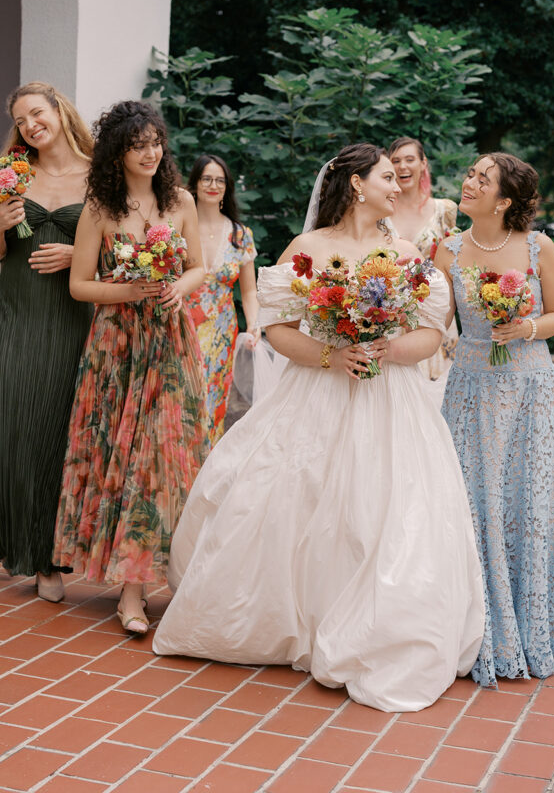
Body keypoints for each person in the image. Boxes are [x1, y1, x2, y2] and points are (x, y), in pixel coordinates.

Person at [154, 143, 485, 712]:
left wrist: (388, 346)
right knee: (295, 497)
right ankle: (287, 621)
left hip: (390, 396)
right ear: (357, 184)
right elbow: (279, 326)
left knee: (383, 509)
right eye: (387, 176)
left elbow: (432, 332)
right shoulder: (308, 249)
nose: (398, 185)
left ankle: (375, 625)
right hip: (319, 388)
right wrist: (332, 357)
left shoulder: (407, 254)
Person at [52, 101, 209, 634]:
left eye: (156, 142)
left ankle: (183, 574)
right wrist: (128, 290)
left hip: (169, 341)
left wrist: (175, 290)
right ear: (117, 151)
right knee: (125, 454)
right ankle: (132, 593)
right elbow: (79, 286)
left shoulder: (181, 201)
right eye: (137, 144)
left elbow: (199, 269)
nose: (149, 152)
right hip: (116, 347)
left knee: (165, 454)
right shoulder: (99, 207)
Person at [435, 152, 554, 687]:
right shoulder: (447, 249)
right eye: (470, 174)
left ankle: (528, 626)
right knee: (471, 501)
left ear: (505, 200)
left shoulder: (539, 248)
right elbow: (436, 321)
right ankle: (474, 628)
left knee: (525, 500)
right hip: (469, 390)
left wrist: (527, 330)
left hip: (529, 391)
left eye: (481, 178)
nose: (468, 182)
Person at [0, 82, 93, 603]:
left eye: (38, 113)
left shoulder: (100, 173)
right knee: (14, 422)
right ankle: (19, 547)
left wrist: (75, 252)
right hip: (14, 308)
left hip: (69, 314)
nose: (32, 125)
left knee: (58, 425)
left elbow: (121, 242)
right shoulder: (11, 174)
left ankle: (48, 559)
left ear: (58, 111)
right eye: (22, 120)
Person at [186, 154, 259, 442]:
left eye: (220, 180)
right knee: (182, 395)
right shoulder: (178, 226)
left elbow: (249, 290)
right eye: (207, 178)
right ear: (195, 183)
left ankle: (205, 468)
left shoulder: (240, 235)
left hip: (220, 331)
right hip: (181, 324)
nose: (213, 185)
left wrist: (253, 324)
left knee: (212, 399)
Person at [388, 136, 459, 384]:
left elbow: (452, 265)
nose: (402, 167)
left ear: (423, 163)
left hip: (434, 312)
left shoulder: (445, 210)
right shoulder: (379, 212)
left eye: (410, 159)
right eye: (395, 161)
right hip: (390, 314)